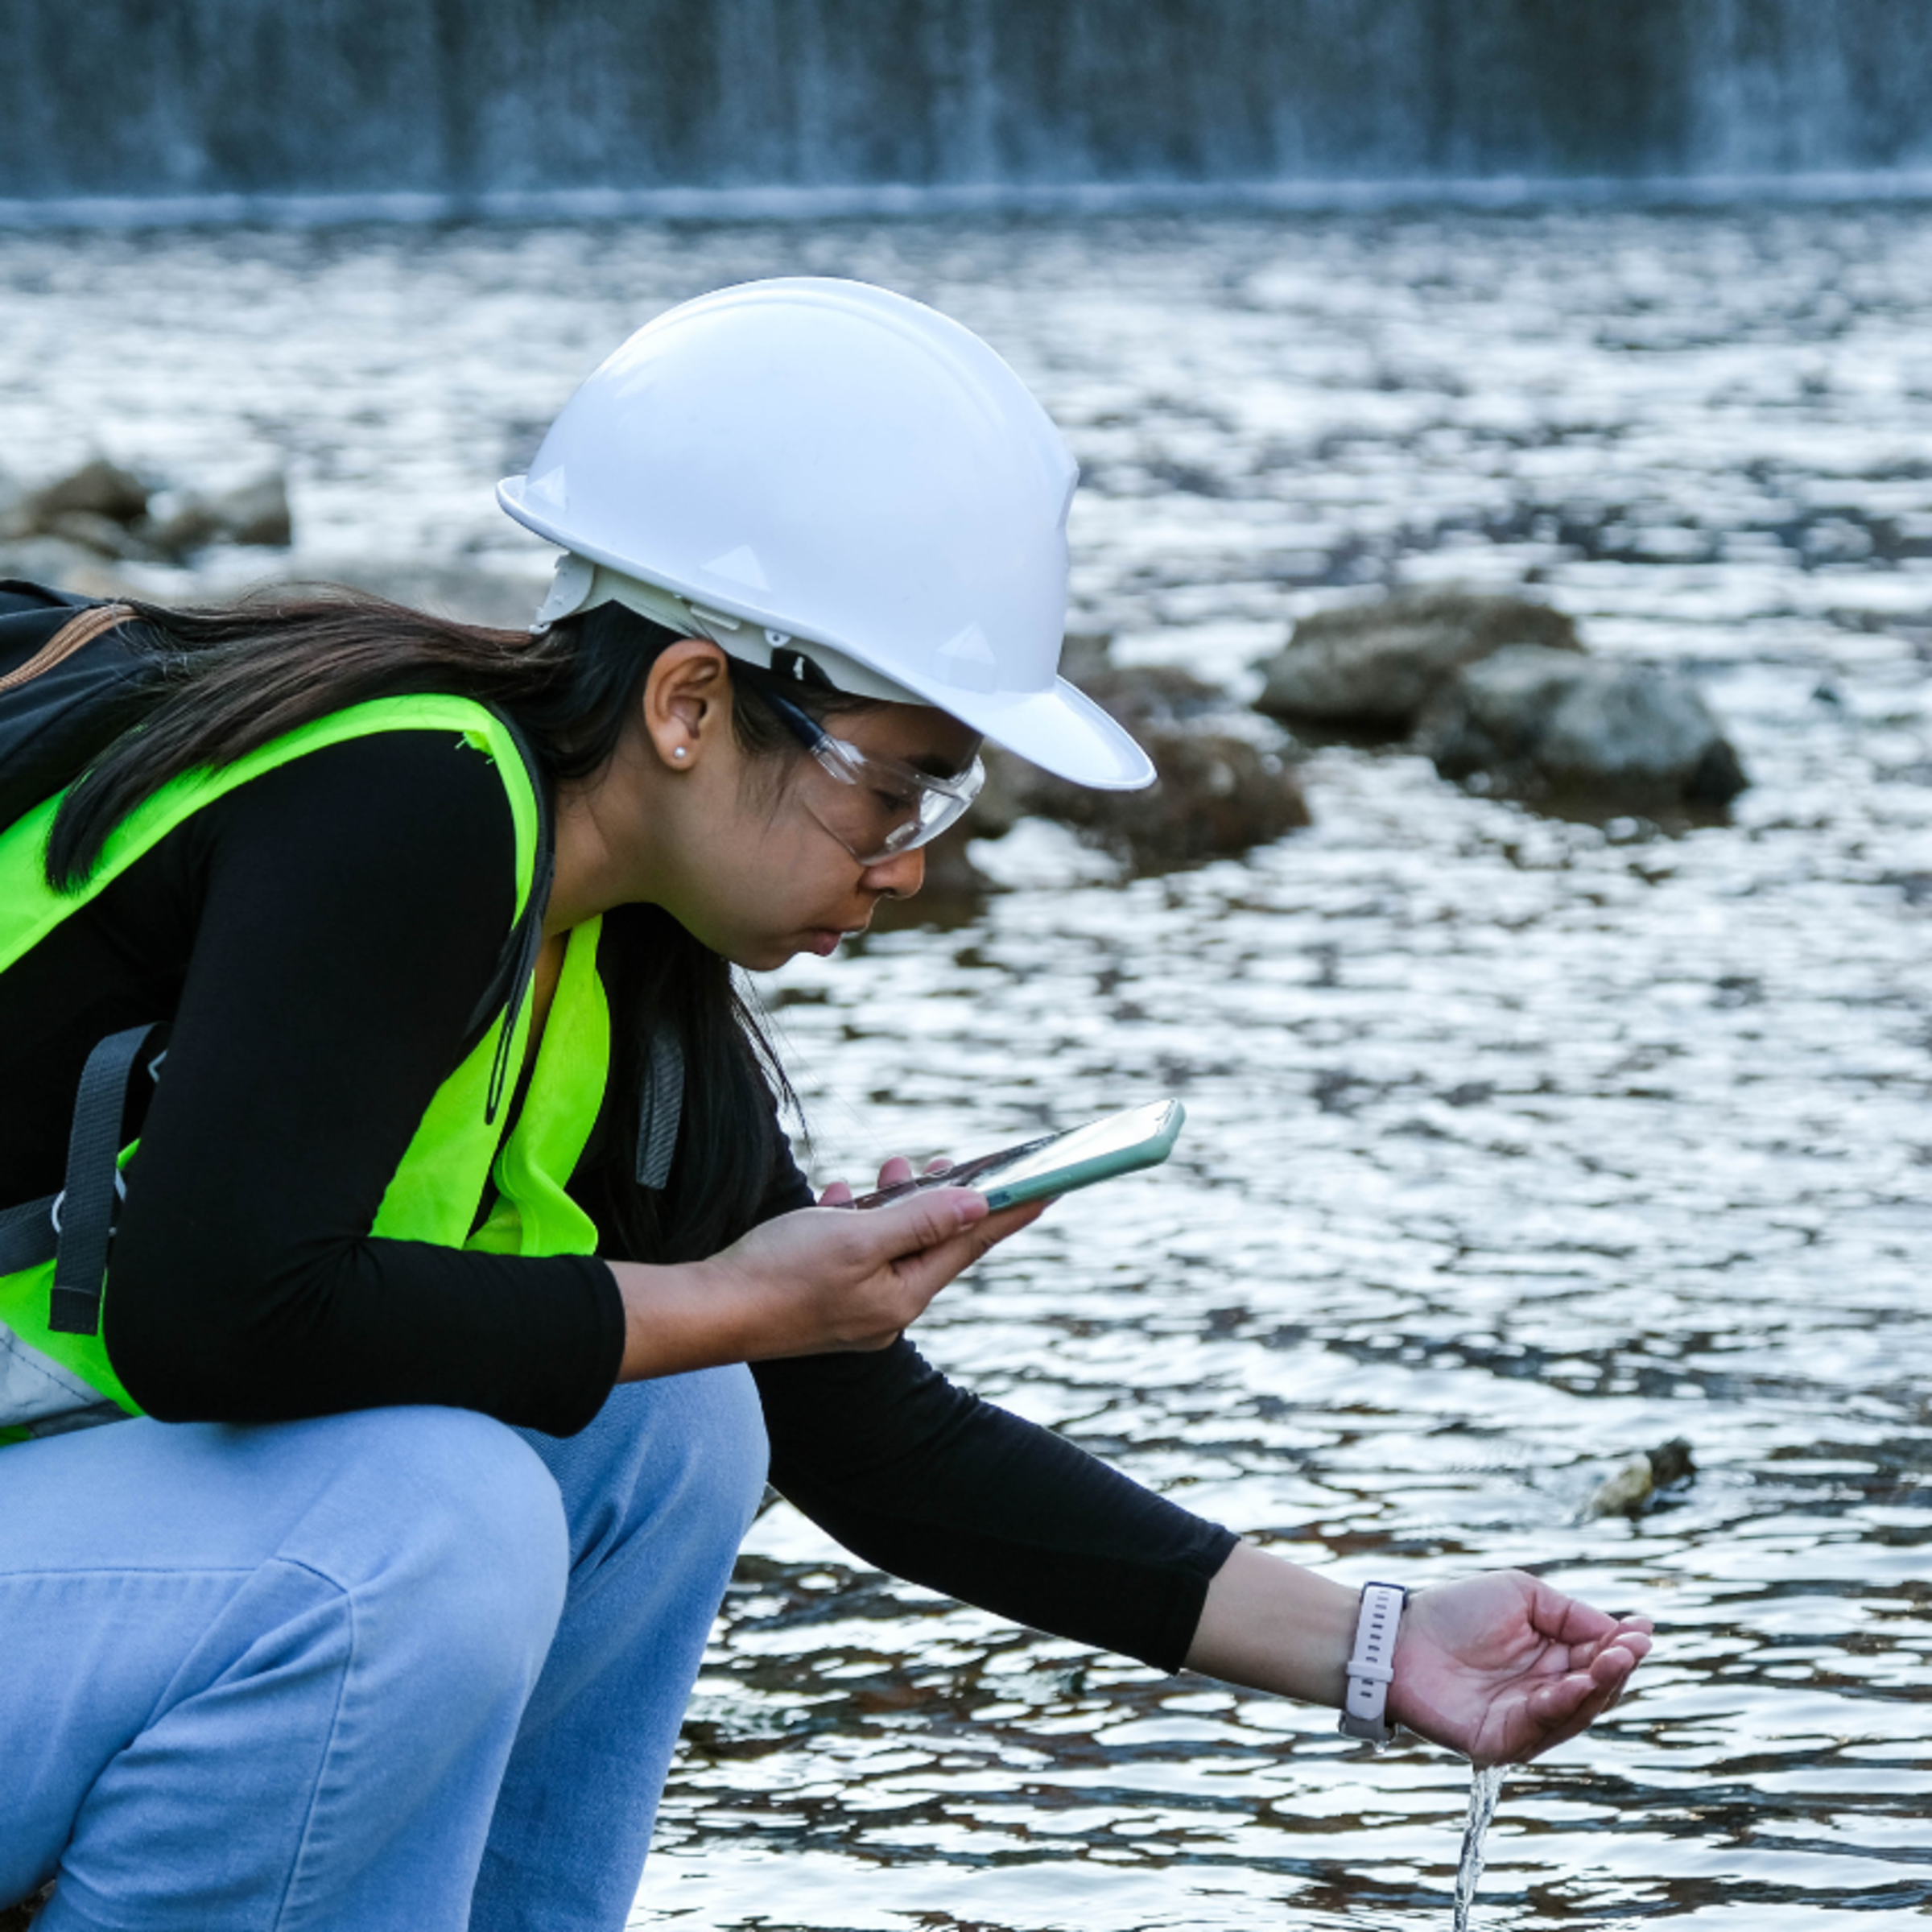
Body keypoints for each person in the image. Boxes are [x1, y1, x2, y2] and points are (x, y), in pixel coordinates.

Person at [0, 279, 1650, 1931]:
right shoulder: (408, 801)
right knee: (438, 1524)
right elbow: (211, 1318)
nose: (913, 859)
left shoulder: (617, 961)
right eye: (895, 778)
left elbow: (859, 1429)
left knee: (686, 1413)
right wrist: (728, 1294)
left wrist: (1378, 1643)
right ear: (691, 701)